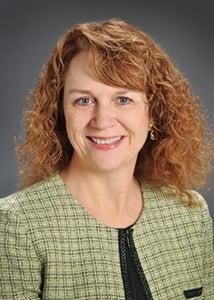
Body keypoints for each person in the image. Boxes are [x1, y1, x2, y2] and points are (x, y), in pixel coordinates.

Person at [0, 18, 213, 300]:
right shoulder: (17, 224)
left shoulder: (190, 214)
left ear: (153, 114)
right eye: (84, 100)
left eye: (123, 99)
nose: (102, 121)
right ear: (60, 113)